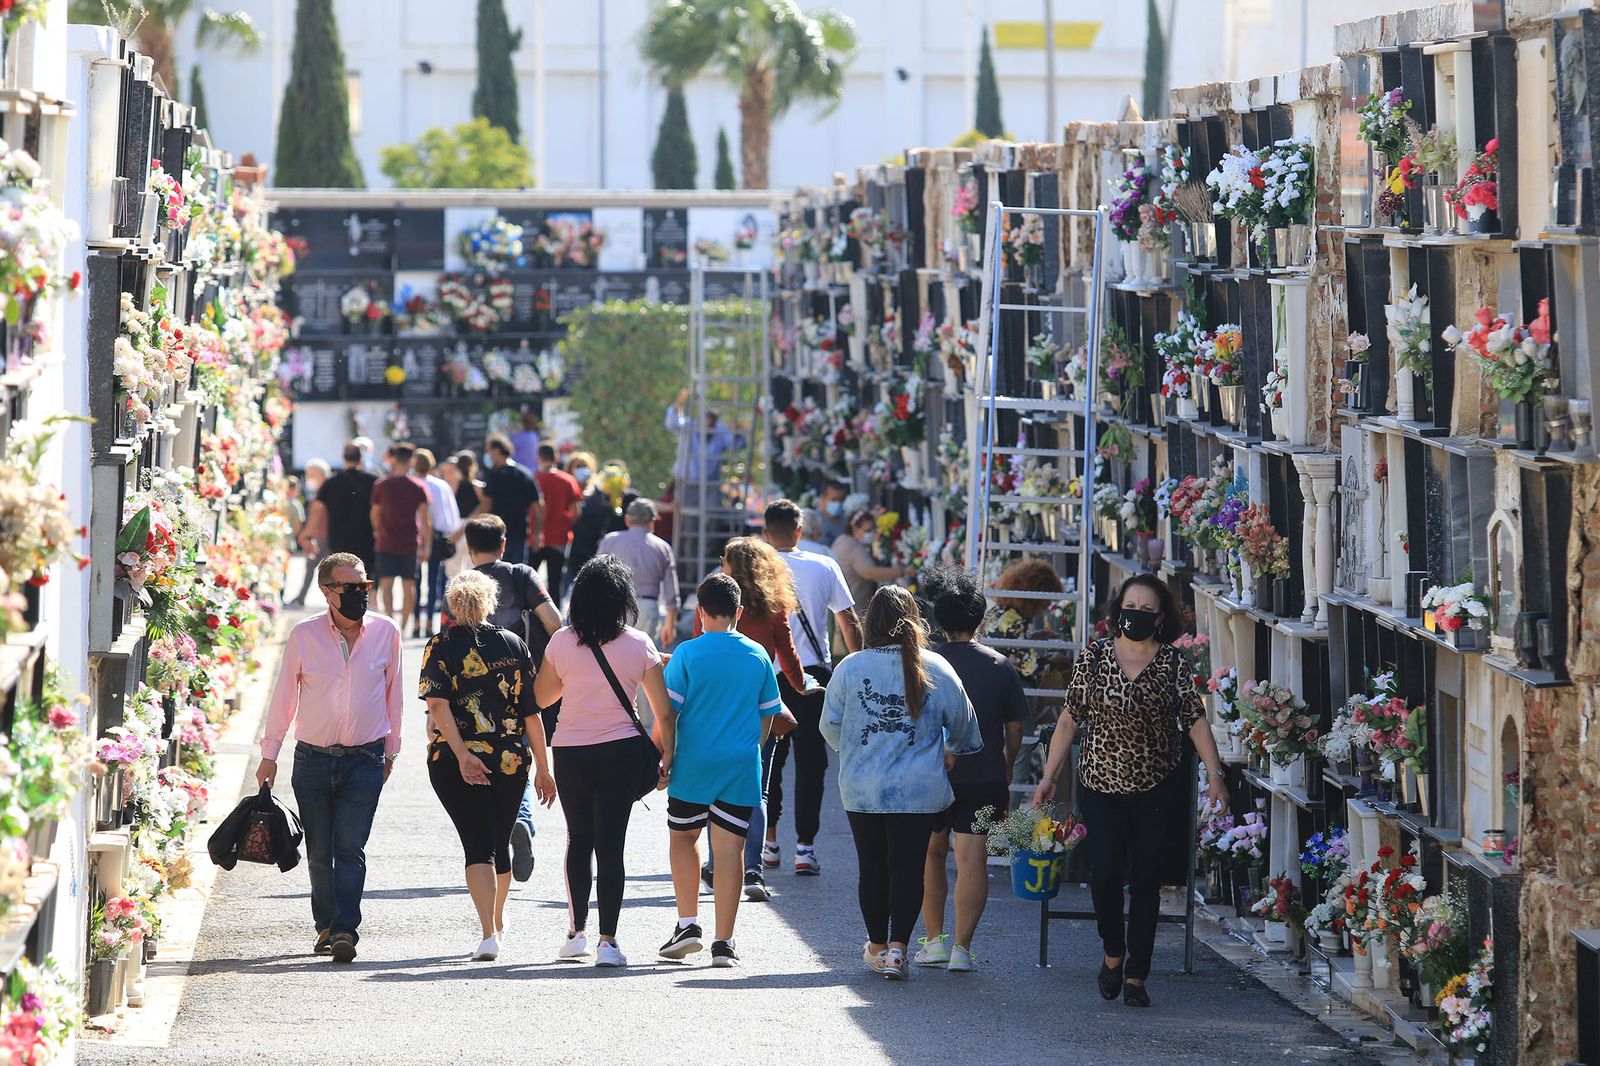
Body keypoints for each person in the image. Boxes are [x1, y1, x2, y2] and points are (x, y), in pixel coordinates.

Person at [1032, 573, 1229, 1008]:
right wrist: (1048, 777)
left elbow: (1194, 720)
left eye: (1144, 610)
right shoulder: (1095, 657)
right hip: (1100, 783)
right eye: (1128, 607)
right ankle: (1112, 952)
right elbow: (1069, 719)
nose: (1133, 616)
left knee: (1146, 879)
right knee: (1103, 874)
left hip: (1156, 786)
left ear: (1160, 619)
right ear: (1116, 610)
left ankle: (1138, 972)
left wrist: (1215, 776)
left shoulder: (1173, 664)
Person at [821, 586, 981, 981]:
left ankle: (876, 946)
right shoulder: (937, 667)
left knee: (872, 868)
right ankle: (899, 950)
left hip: (862, 786)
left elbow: (830, 725)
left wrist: (858, 751)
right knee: (908, 869)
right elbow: (966, 730)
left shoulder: (850, 668)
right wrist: (949, 748)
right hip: (919, 789)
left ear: (870, 622)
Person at [257, 553, 404, 963]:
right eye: (350, 588)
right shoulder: (304, 636)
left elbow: (395, 694)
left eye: (365, 587)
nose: (360, 595)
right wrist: (270, 754)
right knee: (320, 848)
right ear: (327, 591)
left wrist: (392, 749)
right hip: (313, 760)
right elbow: (285, 696)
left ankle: (345, 929)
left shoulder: (386, 633)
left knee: (350, 845)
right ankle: (325, 924)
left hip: (365, 758)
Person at [532, 555, 671, 968]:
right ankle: (608, 943)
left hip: (571, 751)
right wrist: (666, 756)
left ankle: (576, 934)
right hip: (621, 752)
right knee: (612, 846)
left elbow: (541, 699)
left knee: (579, 840)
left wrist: (576, 681)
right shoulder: (638, 643)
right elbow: (662, 713)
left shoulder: (561, 641)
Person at [419, 571, 557, 961]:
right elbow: (532, 713)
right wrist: (545, 769)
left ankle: (487, 932)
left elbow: (438, 706)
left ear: (452, 604)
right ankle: (496, 921)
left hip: (452, 759)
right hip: (510, 760)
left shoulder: (440, 646)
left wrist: (463, 754)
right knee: (498, 841)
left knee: (477, 842)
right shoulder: (514, 644)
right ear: (490, 603)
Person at [656, 574, 784, 968]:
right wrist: (753, 750)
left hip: (693, 764)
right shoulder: (758, 655)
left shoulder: (687, 654)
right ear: (739, 612)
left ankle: (687, 924)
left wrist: (665, 756)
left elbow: (668, 713)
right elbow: (769, 716)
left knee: (684, 838)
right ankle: (723, 943)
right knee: (731, 850)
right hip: (740, 764)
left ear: (700, 611)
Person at [913, 565, 1026, 972]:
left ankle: (932, 941)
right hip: (985, 773)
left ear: (939, 621)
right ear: (980, 619)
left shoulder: (925, 663)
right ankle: (961, 948)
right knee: (971, 859)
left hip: (932, 773)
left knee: (930, 854)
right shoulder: (1000, 665)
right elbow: (1015, 726)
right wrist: (1007, 763)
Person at [694, 537, 812, 900]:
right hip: (760, 705)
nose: (720, 563)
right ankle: (753, 872)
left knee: (717, 792)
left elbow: (704, 649)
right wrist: (803, 686)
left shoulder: (717, 603)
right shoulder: (774, 605)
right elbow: (789, 656)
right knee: (756, 789)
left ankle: (716, 867)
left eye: (724, 560)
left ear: (733, 565)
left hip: (717, 706)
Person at [760, 499, 860, 878]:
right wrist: (859, 666)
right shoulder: (824, 565)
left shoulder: (758, 570)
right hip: (812, 674)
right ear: (800, 530)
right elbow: (847, 622)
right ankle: (805, 847)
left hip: (767, 671)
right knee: (811, 762)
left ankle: (769, 842)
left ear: (767, 534)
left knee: (770, 758)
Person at [465, 514, 564, 882]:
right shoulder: (522, 575)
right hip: (520, 676)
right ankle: (520, 820)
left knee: (481, 755)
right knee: (517, 752)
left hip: (473, 683)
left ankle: (495, 835)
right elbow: (553, 621)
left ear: (469, 547)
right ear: (503, 544)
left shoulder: (466, 584)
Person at [989, 558, 1068, 781]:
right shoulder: (1015, 621)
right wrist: (1056, 659)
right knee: (1020, 753)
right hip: (1013, 690)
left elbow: (1007, 643)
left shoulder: (999, 612)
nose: (1044, 609)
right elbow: (1032, 668)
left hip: (993, 688)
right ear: (1034, 595)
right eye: (1043, 602)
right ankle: (1012, 814)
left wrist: (1033, 638)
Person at [599, 499, 678, 651]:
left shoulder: (610, 541)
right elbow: (671, 592)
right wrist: (670, 623)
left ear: (627, 520)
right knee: (644, 661)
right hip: (647, 608)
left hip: (614, 606)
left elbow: (595, 577)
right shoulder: (662, 547)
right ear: (652, 522)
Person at [369, 444, 430, 625]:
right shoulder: (417, 486)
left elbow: (374, 513)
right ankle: (403, 625)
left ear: (394, 459)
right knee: (408, 584)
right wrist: (427, 545)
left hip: (386, 540)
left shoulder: (381, 485)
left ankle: (391, 622)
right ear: (411, 460)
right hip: (410, 541)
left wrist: (377, 530)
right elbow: (426, 519)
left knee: (386, 585)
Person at [304, 442, 378, 577]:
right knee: (366, 579)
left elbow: (316, 511)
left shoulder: (331, 483)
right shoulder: (373, 481)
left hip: (339, 540)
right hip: (366, 538)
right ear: (361, 457)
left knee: (342, 580)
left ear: (343, 457)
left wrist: (308, 536)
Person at [413, 448, 462, 638]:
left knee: (416, 581)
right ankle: (430, 623)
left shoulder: (411, 484)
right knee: (434, 581)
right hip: (438, 536)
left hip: (415, 537)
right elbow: (451, 518)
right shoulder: (441, 486)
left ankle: (417, 620)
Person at [470, 435, 541, 566]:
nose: (489, 456)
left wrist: (470, 520)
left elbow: (486, 505)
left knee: (497, 576)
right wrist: (537, 533)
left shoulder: (494, 475)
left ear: (496, 450)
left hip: (495, 535)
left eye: (489, 451)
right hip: (519, 532)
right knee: (516, 575)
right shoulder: (524, 474)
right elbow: (537, 507)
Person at [666, 387, 741, 505]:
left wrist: (737, 432)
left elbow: (734, 444)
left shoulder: (720, 431)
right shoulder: (689, 426)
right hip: (688, 481)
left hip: (710, 483)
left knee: (713, 515)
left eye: (709, 427)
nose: (706, 430)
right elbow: (673, 422)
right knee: (689, 517)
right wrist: (680, 401)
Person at [832, 508, 913, 611]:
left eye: (873, 529)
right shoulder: (853, 546)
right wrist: (903, 571)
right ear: (855, 529)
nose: (871, 533)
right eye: (867, 530)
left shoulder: (841, 540)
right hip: (856, 608)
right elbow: (869, 572)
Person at [532, 444, 582, 601]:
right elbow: (576, 511)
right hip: (560, 537)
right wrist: (566, 525)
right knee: (555, 583)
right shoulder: (568, 480)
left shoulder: (534, 479)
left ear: (539, 457)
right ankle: (555, 621)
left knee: (530, 581)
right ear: (556, 458)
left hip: (535, 537)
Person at [289, 459, 331, 607]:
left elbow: (318, 515)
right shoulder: (322, 490)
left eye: (310, 474)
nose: (308, 478)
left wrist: (308, 535)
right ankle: (301, 597)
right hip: (321, 535)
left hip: (324, 536)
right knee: (313, 567)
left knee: (314, 566)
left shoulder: (326, 490)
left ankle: (301, 597)